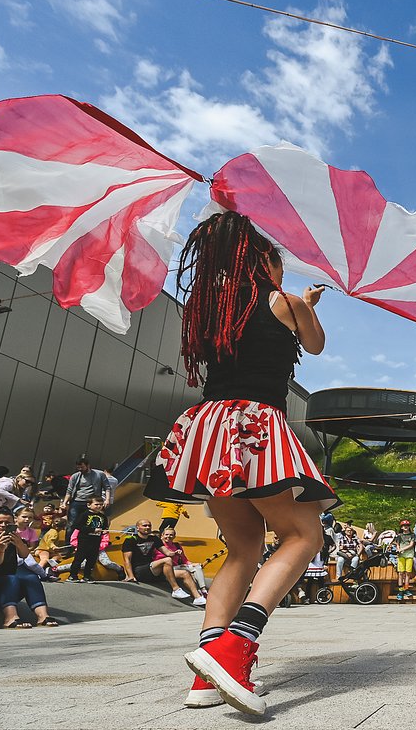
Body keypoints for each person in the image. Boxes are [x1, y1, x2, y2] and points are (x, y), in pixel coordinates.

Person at [145, 211, 337, 715]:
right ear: (263, 262)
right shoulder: (286, 302)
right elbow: (316, 345)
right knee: (304, 535)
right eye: (278, 263)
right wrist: (307, 305)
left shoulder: (212, 308)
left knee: (243, 548)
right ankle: (235, 648)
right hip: (255, 425)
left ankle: (206, 675)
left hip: (208, 428)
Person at [0, 509, 59, 627]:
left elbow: (25, 555)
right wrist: (1, 548)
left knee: (31, 577)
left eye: (8, 523)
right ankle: (10, 617)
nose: (3, 525)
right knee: (11, 579)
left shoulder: (14, 542)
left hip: (9, 589)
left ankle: (43, 616)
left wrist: (18, 543)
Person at [122, 519, 201, 600]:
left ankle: (198, 598)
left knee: (185, 573)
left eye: (149, 525)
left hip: (153, 571)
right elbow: (127, 559)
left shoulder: (154, 539)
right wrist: (131, 576)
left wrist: (175, 553)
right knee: (167, 560)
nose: (147, 527)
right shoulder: (130, 540)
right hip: (139, 571)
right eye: (144, 525)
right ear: (137, 528)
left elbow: (168, 553)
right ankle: (176, 589)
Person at [61, 457, 112, 540]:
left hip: (92, 501)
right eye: (78, 467)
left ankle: (89, 540)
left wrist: (107, 499)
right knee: (72, 523)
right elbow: (69, 490)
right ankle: (69, 543)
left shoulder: (99, 474)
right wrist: (64, 502)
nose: (80, 469)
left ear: (88, 465)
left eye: (82, 467)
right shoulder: (75, 476)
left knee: (91, 522)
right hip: (77, 501)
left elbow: (107, 487)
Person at [67, 496, 109, 583]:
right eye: (96, 504)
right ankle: (73, 575)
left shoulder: (103, 516)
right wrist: (92, 530)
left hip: (96, 541)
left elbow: (104, 527)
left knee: (92, 559)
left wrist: (104, 531)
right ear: (89, 505)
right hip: (85, 540)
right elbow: (77, 525)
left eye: (101, 504)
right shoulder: (84, 515)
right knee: (79, 558)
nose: (99, 506)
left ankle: (87, 576)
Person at [158, 527, 207, 596]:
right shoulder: (158, 546)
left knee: (197, 567)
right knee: (189, 573)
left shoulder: (177, 546)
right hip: (166, 568)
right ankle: (197, 590)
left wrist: (192, 564)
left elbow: (184, 560)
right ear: (162, 535)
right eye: (166, 534)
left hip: (177, 567)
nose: (168, 536)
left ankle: (203, 590)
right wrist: (173, 554)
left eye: (171, 535)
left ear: (174, 536)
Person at [394, 519, 416, 600]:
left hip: (409, 555)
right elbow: (397, 544)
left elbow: (411, 544)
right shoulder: (399, 536)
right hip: (401, 556)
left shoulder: (412, 535)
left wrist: (402, 549)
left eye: (407, 525)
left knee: (408, 573)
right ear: (401, 527)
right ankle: (400, 590)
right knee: (400, 573)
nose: (406, 527)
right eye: (404, 526)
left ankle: (406, 588)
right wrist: (398, 549)